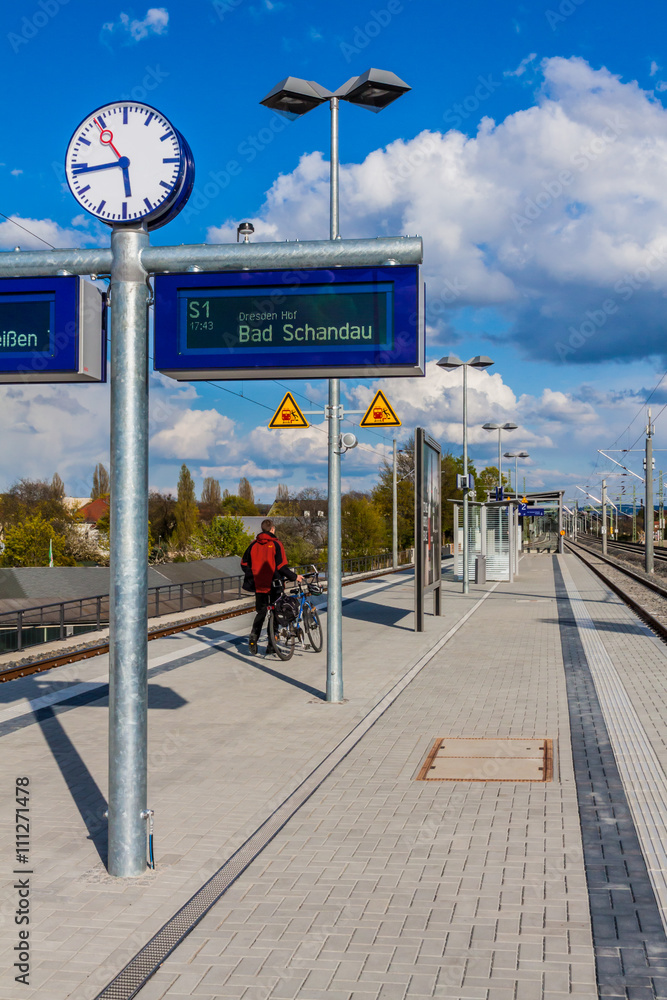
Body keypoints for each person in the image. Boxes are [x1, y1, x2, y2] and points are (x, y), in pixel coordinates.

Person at [241, 519, 303, 655]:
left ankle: (253, 637)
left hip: (259, 585)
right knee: (275, 613)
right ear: (272, 529)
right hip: (275, 584)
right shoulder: (276, 544)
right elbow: (281, 566)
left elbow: (244, 564)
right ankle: (271, 645)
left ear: (262, 529)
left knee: (261, 612)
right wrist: (295, 577)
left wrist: (254, 574)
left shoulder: (253, 545)